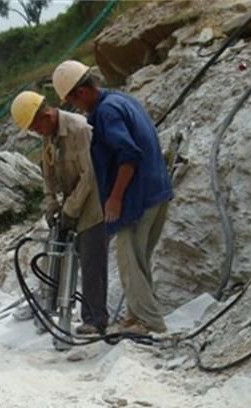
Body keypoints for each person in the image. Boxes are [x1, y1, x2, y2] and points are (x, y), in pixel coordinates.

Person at [52, 60, 173, 335]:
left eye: (73, 101)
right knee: (139, 260)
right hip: (157, 191)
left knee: (128, 259)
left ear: (81, 93)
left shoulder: (106, 112)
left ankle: (148, 321)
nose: (76, 108)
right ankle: (136, 314)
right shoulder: (121, 100)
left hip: (137, 197)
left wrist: (115, 197)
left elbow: (128, 155)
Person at [9, 90, 109, 335]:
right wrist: (51, 202)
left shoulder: (79, 129)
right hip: (70, 203)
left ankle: (95, 319)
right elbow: (49, 172)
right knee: (58, 254)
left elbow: (90, 176)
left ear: (46, 114)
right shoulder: (49, 135)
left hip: (93, 205)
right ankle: (51, 308)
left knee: (91, 261)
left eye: (35, 126)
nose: (36, 132)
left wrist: (70, 210)